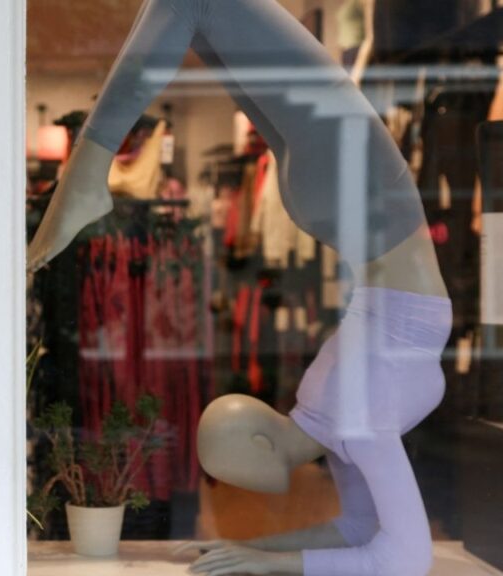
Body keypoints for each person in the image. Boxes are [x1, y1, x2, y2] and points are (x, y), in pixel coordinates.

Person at [26, 0, 451, 573]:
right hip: (369, 229)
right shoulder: (342, 422)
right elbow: (363, 534)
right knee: (197, 9)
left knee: (194, 8)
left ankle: (84, 173)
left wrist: (266, 561)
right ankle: (87, 171)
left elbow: (402, 558)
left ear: (259, 444)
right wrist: (252, 552)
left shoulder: (345, 418)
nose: (233, 487)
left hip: (370, 231)